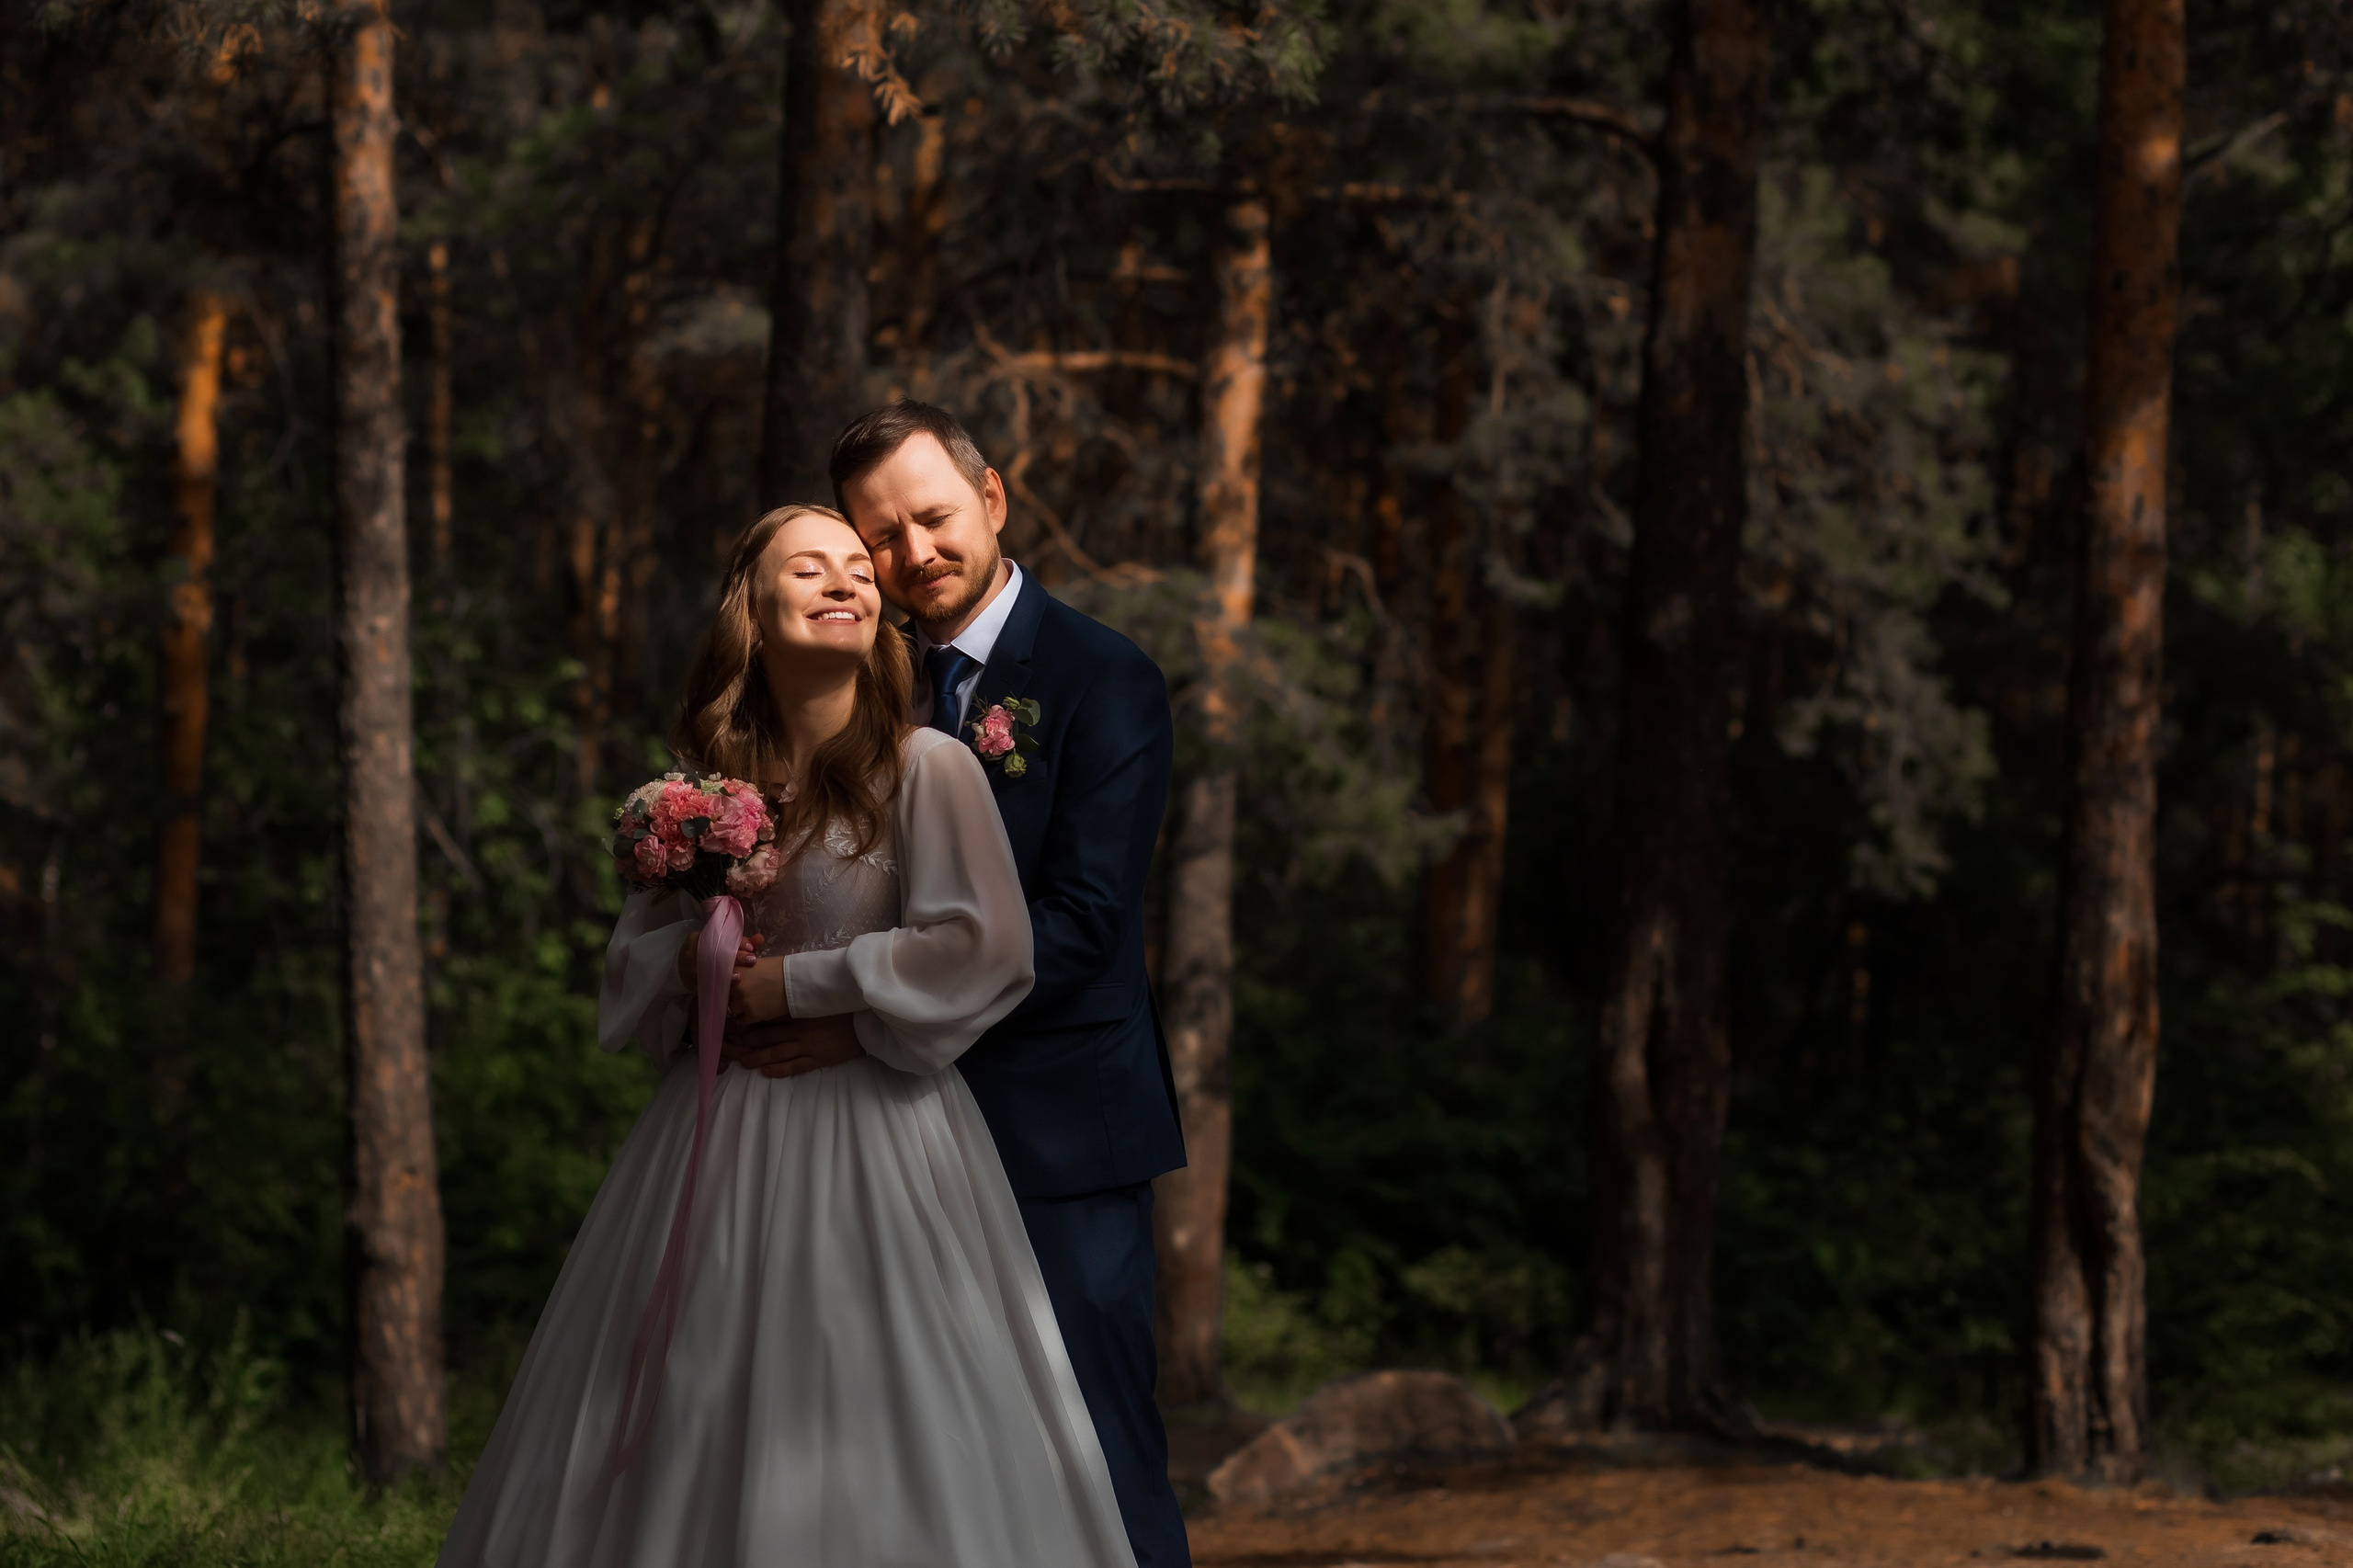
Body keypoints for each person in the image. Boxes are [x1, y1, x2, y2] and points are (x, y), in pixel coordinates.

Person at [435, 505, 1138, 1568]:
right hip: (708, 1143)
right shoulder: (704, 790)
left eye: (859, 568)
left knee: (879, 1393)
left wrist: (802, 986)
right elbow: (634, 962)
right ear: (753, 614)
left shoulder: (928, 767)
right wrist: (696, 967)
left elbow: (985, 948)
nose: (848, 581)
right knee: (692, 1392)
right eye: (809, 569)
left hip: (881, 1141)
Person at [723, 402, 1191, 1568]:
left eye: (932, 516)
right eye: (880, 534)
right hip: (878, 1146)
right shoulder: (861, 677)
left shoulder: (1099, 676)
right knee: (924, 1462)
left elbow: (1081, 925)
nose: (912, 552)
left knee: (1091, 1443)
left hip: (1052, 1134)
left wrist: (858, 1019)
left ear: (991, 499)